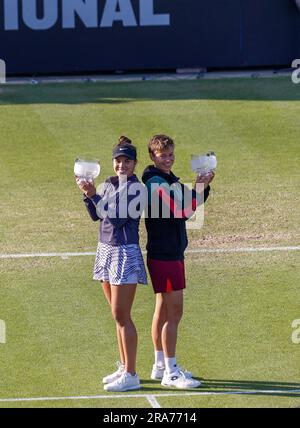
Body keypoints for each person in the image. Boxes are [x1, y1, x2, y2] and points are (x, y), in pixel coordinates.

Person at [142, 135, 214, 389]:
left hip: (167, 253)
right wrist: (200, 188)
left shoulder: (166, 179)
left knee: (162, 309)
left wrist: (201, 187)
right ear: (152, 156)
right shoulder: (155, 183)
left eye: (171, 154)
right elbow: (183, 212)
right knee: (174, 313)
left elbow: (188, 202)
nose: (168, 159)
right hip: (166, 255)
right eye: (163, 155)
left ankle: (160, 365)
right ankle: (171, 372)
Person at [76, 136, 147, 392]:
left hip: (125, 253)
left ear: (135, 163)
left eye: (127, 161)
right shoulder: (108, 183)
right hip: (106, 250)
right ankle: (124, 366)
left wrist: (94, 195)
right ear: (112, 162)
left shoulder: (137, 189)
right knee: (116, 316)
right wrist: (88, 194)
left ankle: (132, 374)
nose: (122, 165)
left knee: (122, 315)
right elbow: (97, 215)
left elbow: (116, 220)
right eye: (118, 160)